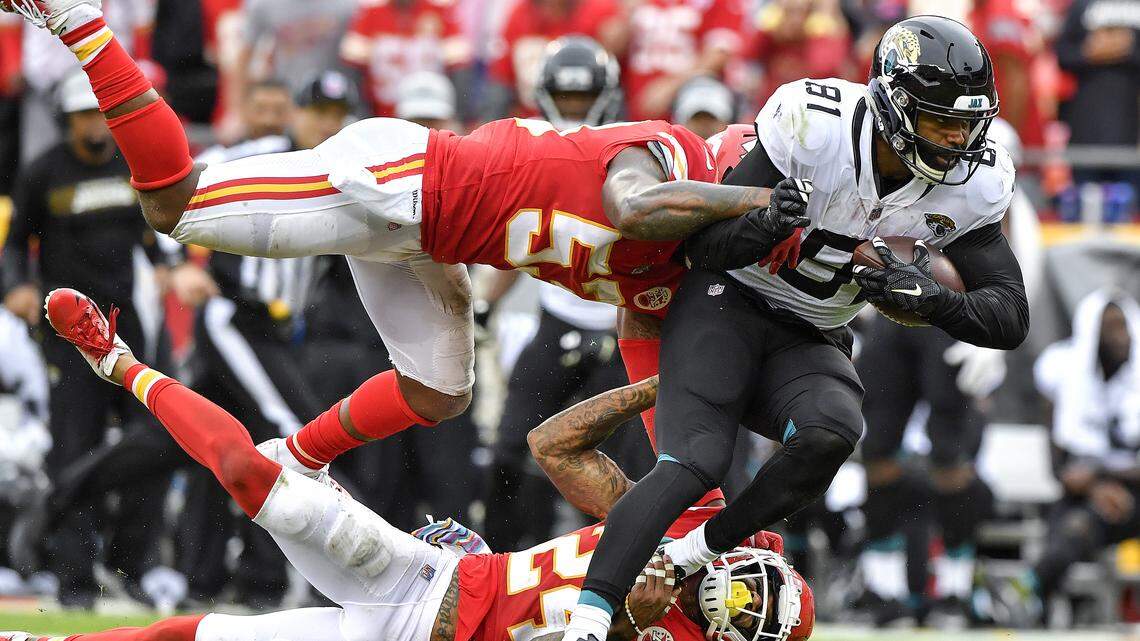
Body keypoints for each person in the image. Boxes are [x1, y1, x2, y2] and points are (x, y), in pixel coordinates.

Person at [2, 0, 809, 503]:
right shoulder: (668, 155)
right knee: (172, 203)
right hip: (404, 181)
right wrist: (770, 205)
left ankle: (294, 457)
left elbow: (653, 372)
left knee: (439, 390)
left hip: (433, 238)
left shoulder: (676, 270)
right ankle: (80, 18)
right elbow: (638, 203)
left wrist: (694, 514)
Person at [562, 17, 1031, 641]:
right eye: (941, 121)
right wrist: (762, 224)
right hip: (730, 297)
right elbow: (704, 250)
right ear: (892, 105)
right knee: (696, 460)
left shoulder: (974, 181)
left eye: (968, 123)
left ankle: (694, 553)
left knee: (833, 431)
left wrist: (934, 302)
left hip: (812, 330)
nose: (959, 140)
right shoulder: (816, 125)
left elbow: (1010, 314)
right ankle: (588, 618)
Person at [12, 285, 814, 641]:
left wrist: (629, 623)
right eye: (746, 581)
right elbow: (551, 444)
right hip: (428, 580)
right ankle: (118, 362)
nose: (726, 596)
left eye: (735, 614)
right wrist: (657, 386)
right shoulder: (693, 525)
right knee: (252, 475)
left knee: (207, 634)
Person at [0, 68, 180, 607]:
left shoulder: (132, 167)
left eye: (99, 114)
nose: (94, 126)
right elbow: (13, 246)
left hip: (128, 330)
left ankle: (135, 564)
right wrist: (17, 289)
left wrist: (167, 265)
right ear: (66, 121)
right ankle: (74, 578)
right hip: (66, 334)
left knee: (151, 445)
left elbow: (158, 232)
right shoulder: (42, 172)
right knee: (73, 450)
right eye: (83, 116)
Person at [478, 37, 653, 550]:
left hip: (624, 326)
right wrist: (487, 302)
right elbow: (521, 233)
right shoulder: (533, 146)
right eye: (566, 97)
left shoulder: (635, 146)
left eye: (584, 97)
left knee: (632, 463)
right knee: (511, 447)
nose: (575, 108)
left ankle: (612, 569)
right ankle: (502, 562)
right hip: (557, 319)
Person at [1028, 289, 1140, 618]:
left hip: (1132, 490)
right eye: (1109, 328)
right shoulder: (1065, 373)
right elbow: (1058, 463)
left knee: (1087, 518)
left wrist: (1100, 477)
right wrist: (1091, 485)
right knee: (1072, 526)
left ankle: (1026, 591)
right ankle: (1031, 599)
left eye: (1123, 327)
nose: (1120, 337)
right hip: (1085, 492)